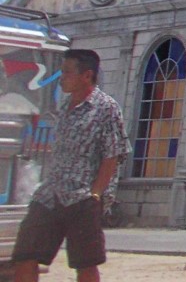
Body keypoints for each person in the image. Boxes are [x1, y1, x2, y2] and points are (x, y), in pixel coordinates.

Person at [12, 49, 128, 282]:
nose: (61, 77)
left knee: (85, 263)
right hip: (50, 194)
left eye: (66, 72)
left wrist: (95, 194)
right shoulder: (65, 107)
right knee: (25, 255)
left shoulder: (106, 107)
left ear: (86, 76)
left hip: (82, 197)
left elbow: (113, 155)